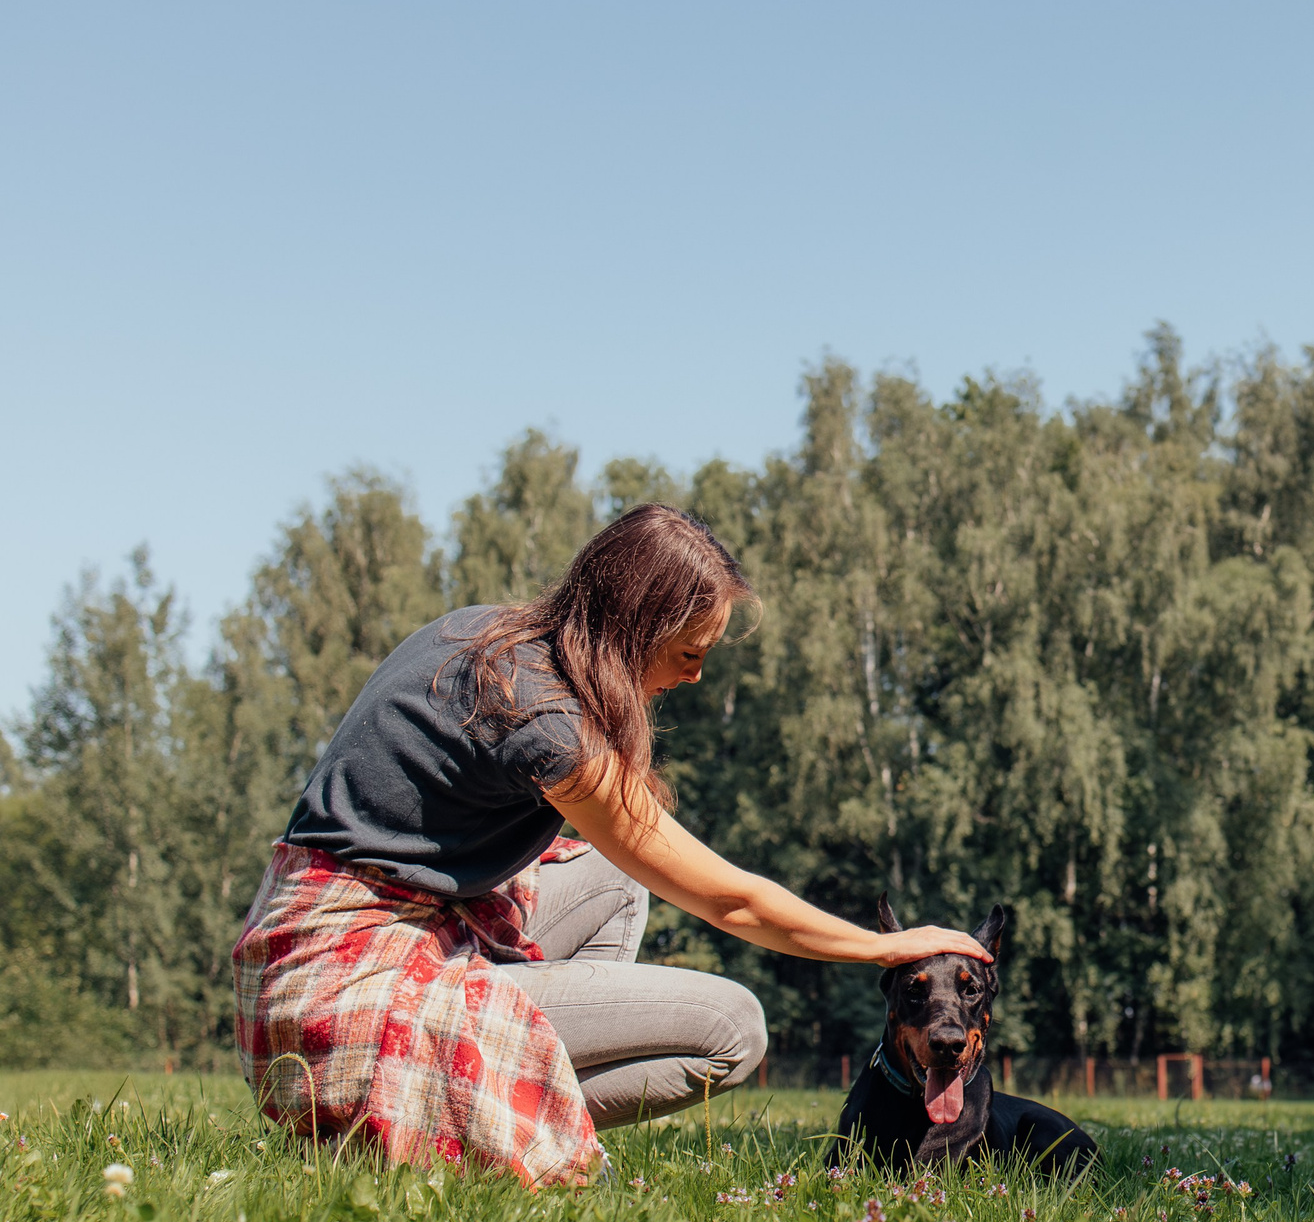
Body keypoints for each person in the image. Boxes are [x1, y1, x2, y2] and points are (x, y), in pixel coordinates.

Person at [231, 503, 987, 1186]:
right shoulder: (543, 720)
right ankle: (491, 1127)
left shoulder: (490, 634)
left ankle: (508, 1105)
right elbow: (732, 900)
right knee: (735, 1029)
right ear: (637, 632)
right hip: (338, 996)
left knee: (618, 882)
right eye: (690, 653)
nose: (695, 676)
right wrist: (887, 946)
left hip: (316, 940)